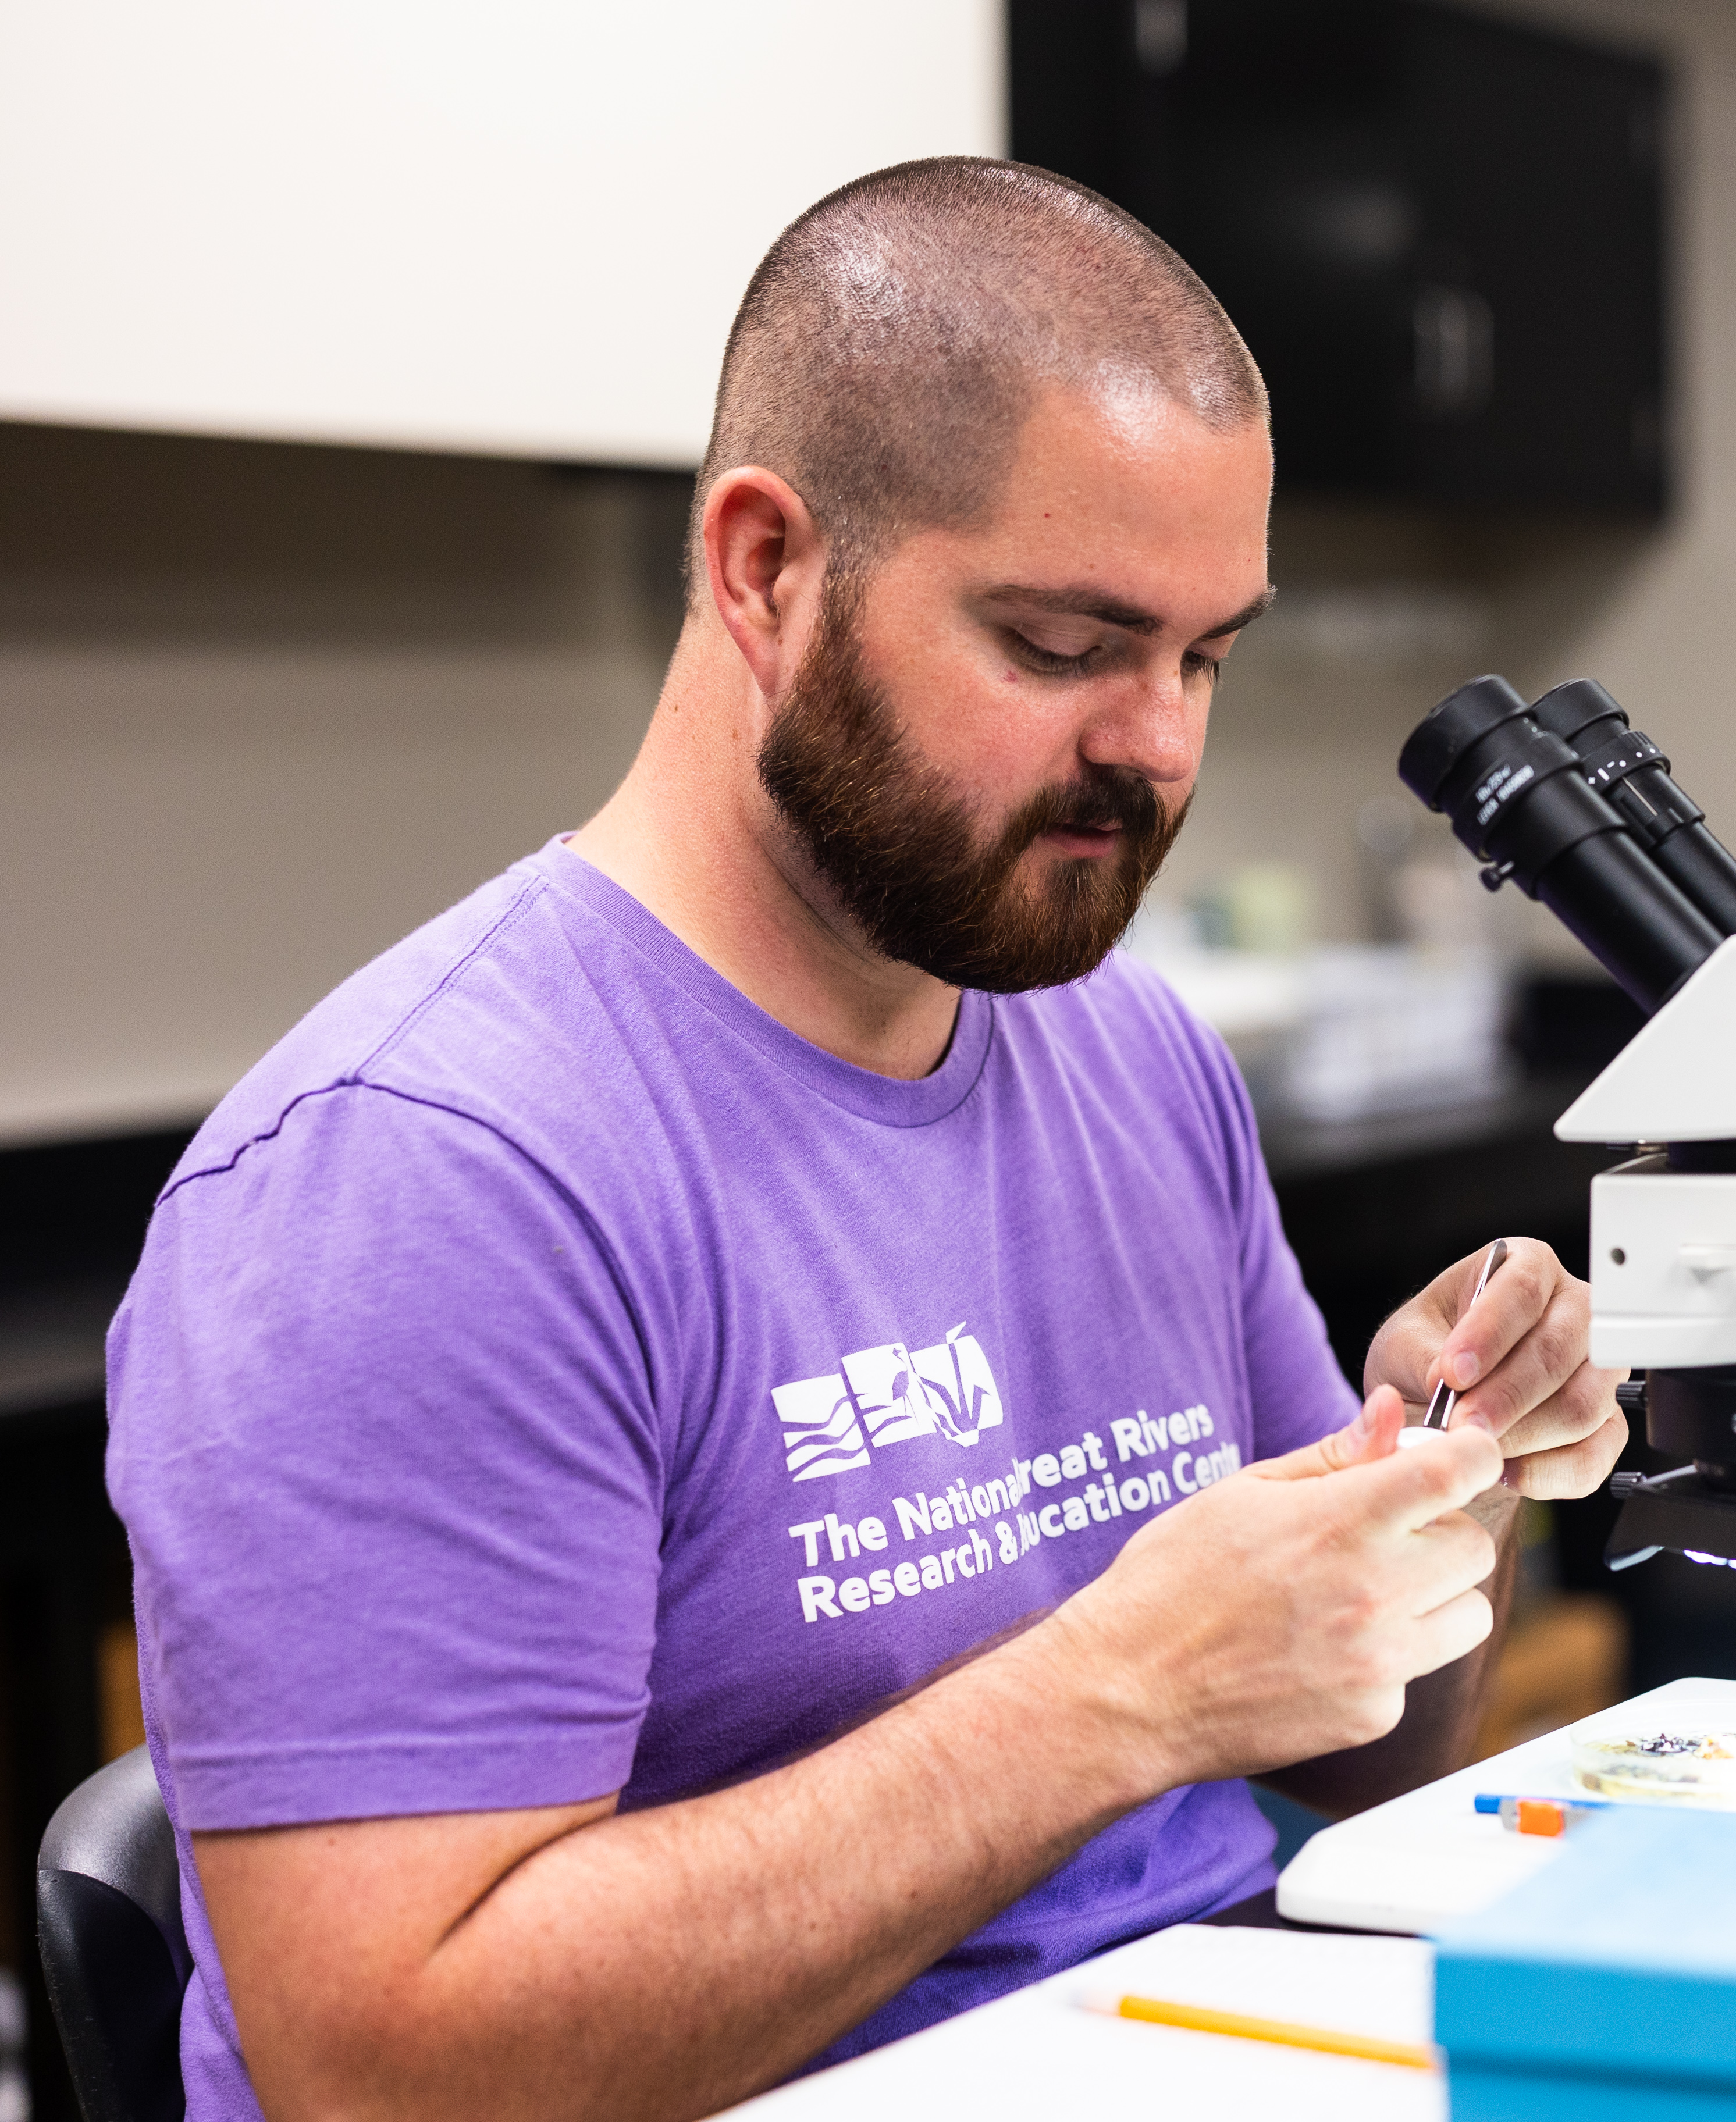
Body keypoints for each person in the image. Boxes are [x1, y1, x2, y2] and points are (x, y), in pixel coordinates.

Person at [104, 157, 1628, 2122]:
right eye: (1067, 645)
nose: (1159, 746)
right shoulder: (419, 1183)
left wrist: (1438, 1485)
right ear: (763, 569)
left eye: (1205, 658)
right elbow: (383, 2072)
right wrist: (1116, 1695)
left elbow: (1374, 1760)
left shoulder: (1132, 1058)